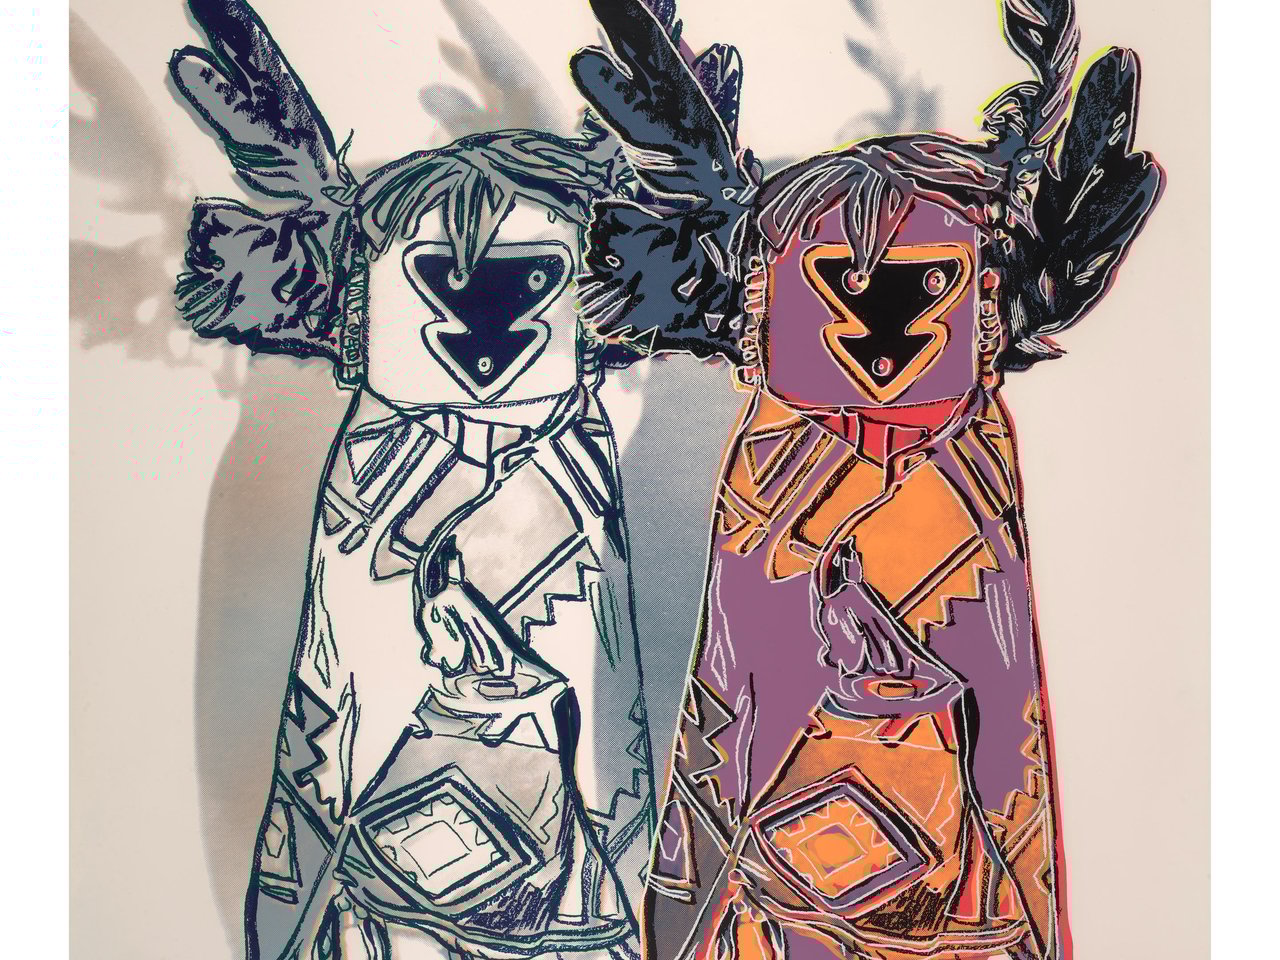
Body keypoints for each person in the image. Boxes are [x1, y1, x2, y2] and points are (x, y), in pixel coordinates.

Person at [570, 1, 1164, 958]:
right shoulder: (773, 453)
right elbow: (732, 697)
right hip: (787, 893)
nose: (879, 333)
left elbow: (1004, 721)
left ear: (975, 290)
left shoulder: (966, 455)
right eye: (842, 285)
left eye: (925, 284)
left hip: (947, 901)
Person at [166, 1, 735, 956]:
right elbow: (331, 707)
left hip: (562, 898)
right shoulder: (377, 463)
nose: (482, 326)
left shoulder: (570, 452)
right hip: (398, 894)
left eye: (528, 281)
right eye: (440, 279)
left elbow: (614, 712)